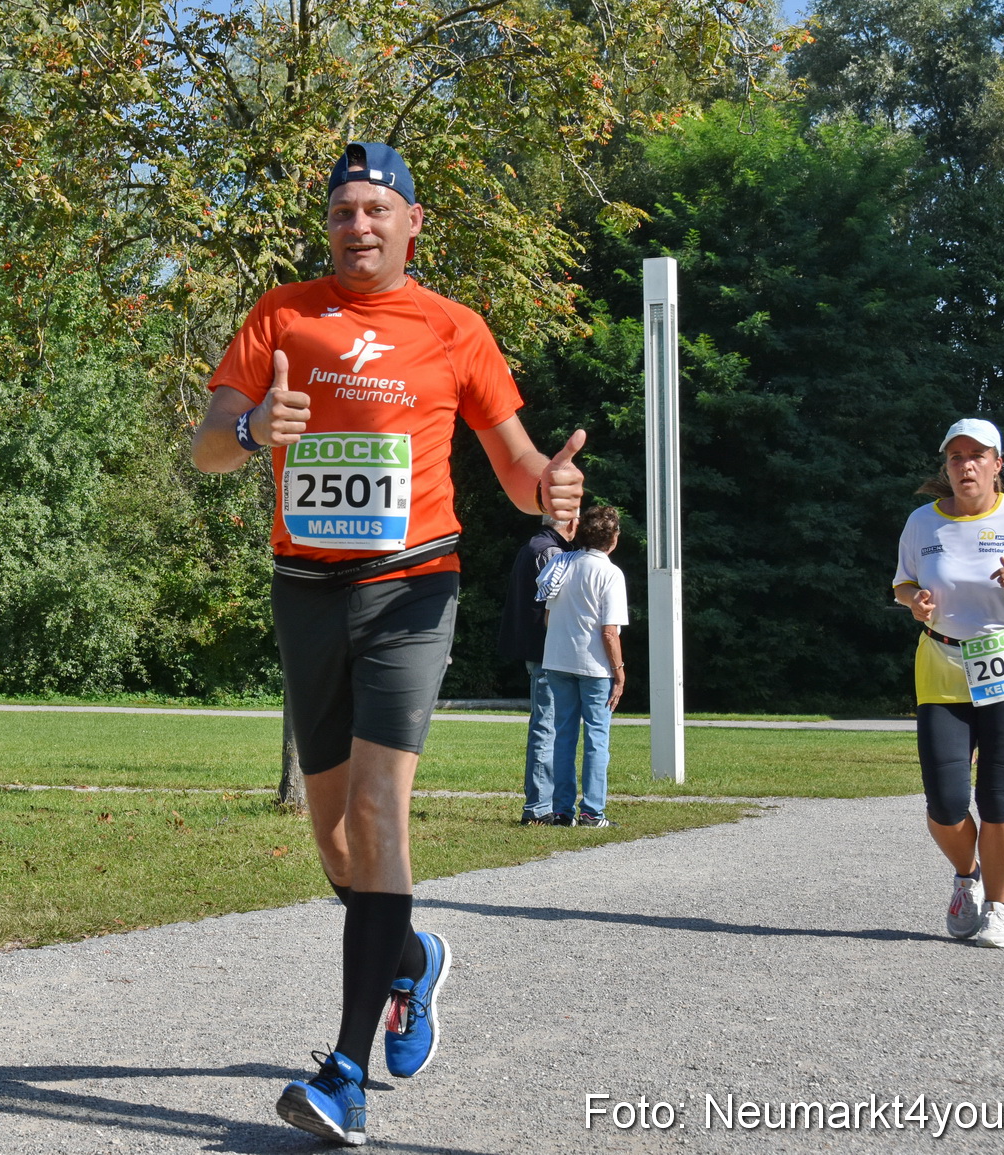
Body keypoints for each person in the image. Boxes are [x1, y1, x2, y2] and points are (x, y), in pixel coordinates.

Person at [191, 141, 585, 1146]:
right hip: (304, 592)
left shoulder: (454, 330)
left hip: (412, 585)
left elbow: (512, 464)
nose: (356, 226)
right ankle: (410, 961)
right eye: (340, 212)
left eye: (375, 209)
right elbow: (204, 445)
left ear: (412, 224)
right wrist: (250, 436)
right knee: (330, 841)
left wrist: (550, 488)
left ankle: (342, 1073)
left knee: (378, 813)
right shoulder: (281, 316)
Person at [891, 418, 1004, 949]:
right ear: (946, 466)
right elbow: (902, 583)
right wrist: (913, 601)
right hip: (942, 666)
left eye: (977, 456)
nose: (966, 465)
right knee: (945, 803)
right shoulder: (923, 522)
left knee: (997, 797)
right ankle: (966, 878)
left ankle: (998, 908)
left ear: (997, 464)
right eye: (956, 457)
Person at [537, 505, 627, 827]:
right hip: (595, 666)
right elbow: (609, 631)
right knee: (596, 738)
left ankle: (562, 811)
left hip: (558, 660)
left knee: (563, 737)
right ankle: (592, 811)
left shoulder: (562, 563)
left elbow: (548, 615)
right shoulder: (610, 573)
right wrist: (619, 672)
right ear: (613, 539)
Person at [497, 514, 578, 824]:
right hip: (548, 651)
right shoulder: (552, 552)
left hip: (536, 649)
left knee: (546, 724)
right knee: (547, 726)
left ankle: (542, 803)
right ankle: (538, 808)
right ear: (570, 522)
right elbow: (556, 604)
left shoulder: (534, 546)